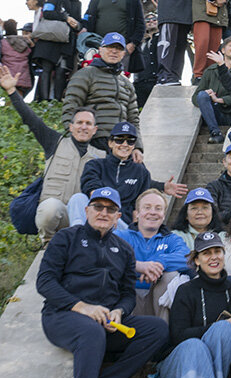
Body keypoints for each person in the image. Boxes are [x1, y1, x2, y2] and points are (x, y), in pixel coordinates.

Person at [37, 187, 169, 378]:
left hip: (107, 322)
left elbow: (127, 293)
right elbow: (45, 283)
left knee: (158, 329)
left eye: (110, 209)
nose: (103, 213)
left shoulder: (123, 248)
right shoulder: (66, 238)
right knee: (90, 330)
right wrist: (82, 307)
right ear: (87, 210)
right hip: (63, 316)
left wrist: (120, 311)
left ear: (118, 216)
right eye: (98, 207)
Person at [154, 230, 231, 378]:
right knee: (196, 344)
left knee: (224, 330)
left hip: (224, 365)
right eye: (206, 253)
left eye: (217, 251)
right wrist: (218, 325)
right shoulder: (186, 290)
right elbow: (178, 336)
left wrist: (224, 327)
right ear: (196, 260)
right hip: (183, 362)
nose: (213, 257)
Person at [1, 64, 105, 241]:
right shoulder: (54, 143)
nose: (83, 127)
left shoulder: (101, 156)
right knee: (50, 207)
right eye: (79, 123)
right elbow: (32, 120)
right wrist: (11, 91)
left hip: (82, 219)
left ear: (94, 130)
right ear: (71, 127)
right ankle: (48, 243)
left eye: (88, 124)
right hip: (56, 213)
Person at [70, 121, 184, 228]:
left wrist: (136, 232)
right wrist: (107, 211)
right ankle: (77, 235)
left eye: (130, 141)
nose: (125, 144)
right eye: (119, 140)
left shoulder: (141, 171)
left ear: (134, 145)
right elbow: (91, 188)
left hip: (121, 225)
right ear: (110, 143)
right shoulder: (95, 165)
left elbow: (139, 205)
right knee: (78, 198)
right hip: (98, 215)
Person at [61, 32, 142, 148]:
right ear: (100, 49)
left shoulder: (127, 82)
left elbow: (133, 119)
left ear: (124, 53)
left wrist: (137, 147)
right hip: (94, 140)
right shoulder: (85, 74)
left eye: (119, 48)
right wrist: (74, 140)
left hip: (121, 142)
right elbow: (71, 106)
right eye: (110, 47)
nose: (114, 51)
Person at [118, 189, 189, 319]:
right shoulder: (120, 236)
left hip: (156, 299)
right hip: (125, 296)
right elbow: (105, 254)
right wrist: (138, 265)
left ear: (163, 214)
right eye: (147, 207)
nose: (153, 212)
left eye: (158, 208)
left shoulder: (172, 239)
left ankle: (164, 332)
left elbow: (187, 258)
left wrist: (159, 262)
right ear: (137, 213)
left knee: (172, 276)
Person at [192, 36, 231, 143]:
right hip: (216, 113)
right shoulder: (210, 71)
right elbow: (195, 97)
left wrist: (221, 100)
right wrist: (207, 94)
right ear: (223, 50)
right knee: (202, 95)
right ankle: (215, 132)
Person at [83, 0, 146, 75]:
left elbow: (140, 24)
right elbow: (87, 19)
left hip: (122, 48)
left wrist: (133, 44)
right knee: (97, 79)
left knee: (120, 81)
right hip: (99, 47)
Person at [31, 0, 83, 100]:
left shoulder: (78, 3)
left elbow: (79, 21)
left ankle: (58, 102)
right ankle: (43, 101)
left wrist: (77, 25)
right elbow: (47, 13)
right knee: (46, 70)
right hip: (50, 39)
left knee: (61, 71)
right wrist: (65, 17)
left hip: (66, 41)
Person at [170, 187, 225, 254]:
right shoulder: (175, 237)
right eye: (194, 208)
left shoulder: (223, 237)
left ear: (213, 213)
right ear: (186, 214)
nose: (200, 212)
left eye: (205, 208)